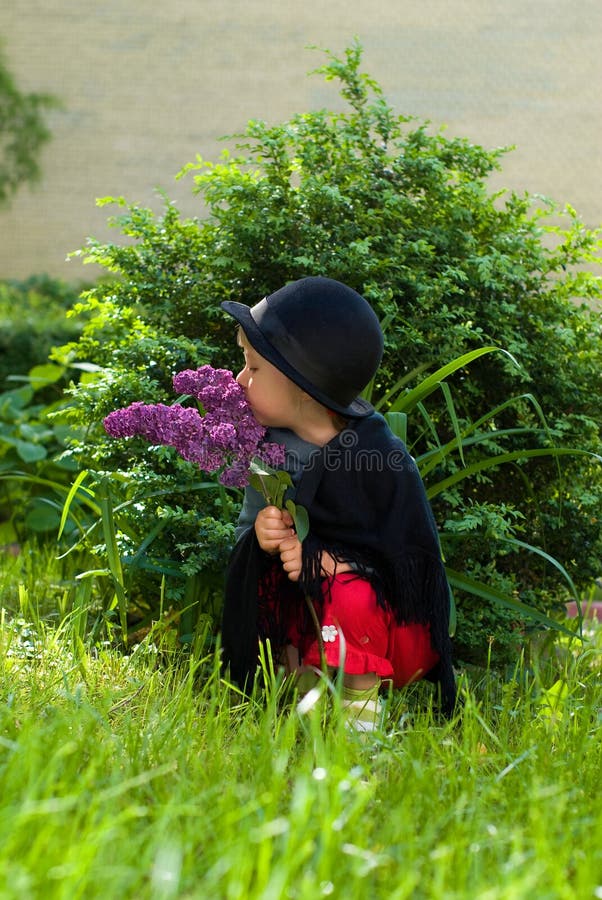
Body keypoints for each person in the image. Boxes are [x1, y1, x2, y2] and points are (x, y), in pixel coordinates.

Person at [220, 276, 456, 727]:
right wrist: (263, 535)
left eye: (253, 368)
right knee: (266, 588)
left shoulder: (377, 458)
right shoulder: (269, 451)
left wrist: (330, 563)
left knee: (350, 596)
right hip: (302, 612)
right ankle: (299, 692)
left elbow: (410, 561)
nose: (239, 379)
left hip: (383, 624)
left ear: (301, 385)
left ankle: (358, 720)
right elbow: (243, 542)